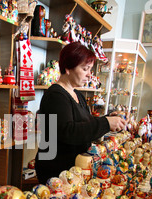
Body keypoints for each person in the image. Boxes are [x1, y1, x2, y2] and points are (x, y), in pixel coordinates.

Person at [34, 42, 127, 185]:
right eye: (85, 69)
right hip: (56, 171)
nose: (90, 75)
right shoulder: (56, 95)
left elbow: (86, 124)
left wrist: (108, 118)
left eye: (90, 69)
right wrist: (105, 123)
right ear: (68, 68)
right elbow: (69, 132)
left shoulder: (77, 95)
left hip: (74, 170)